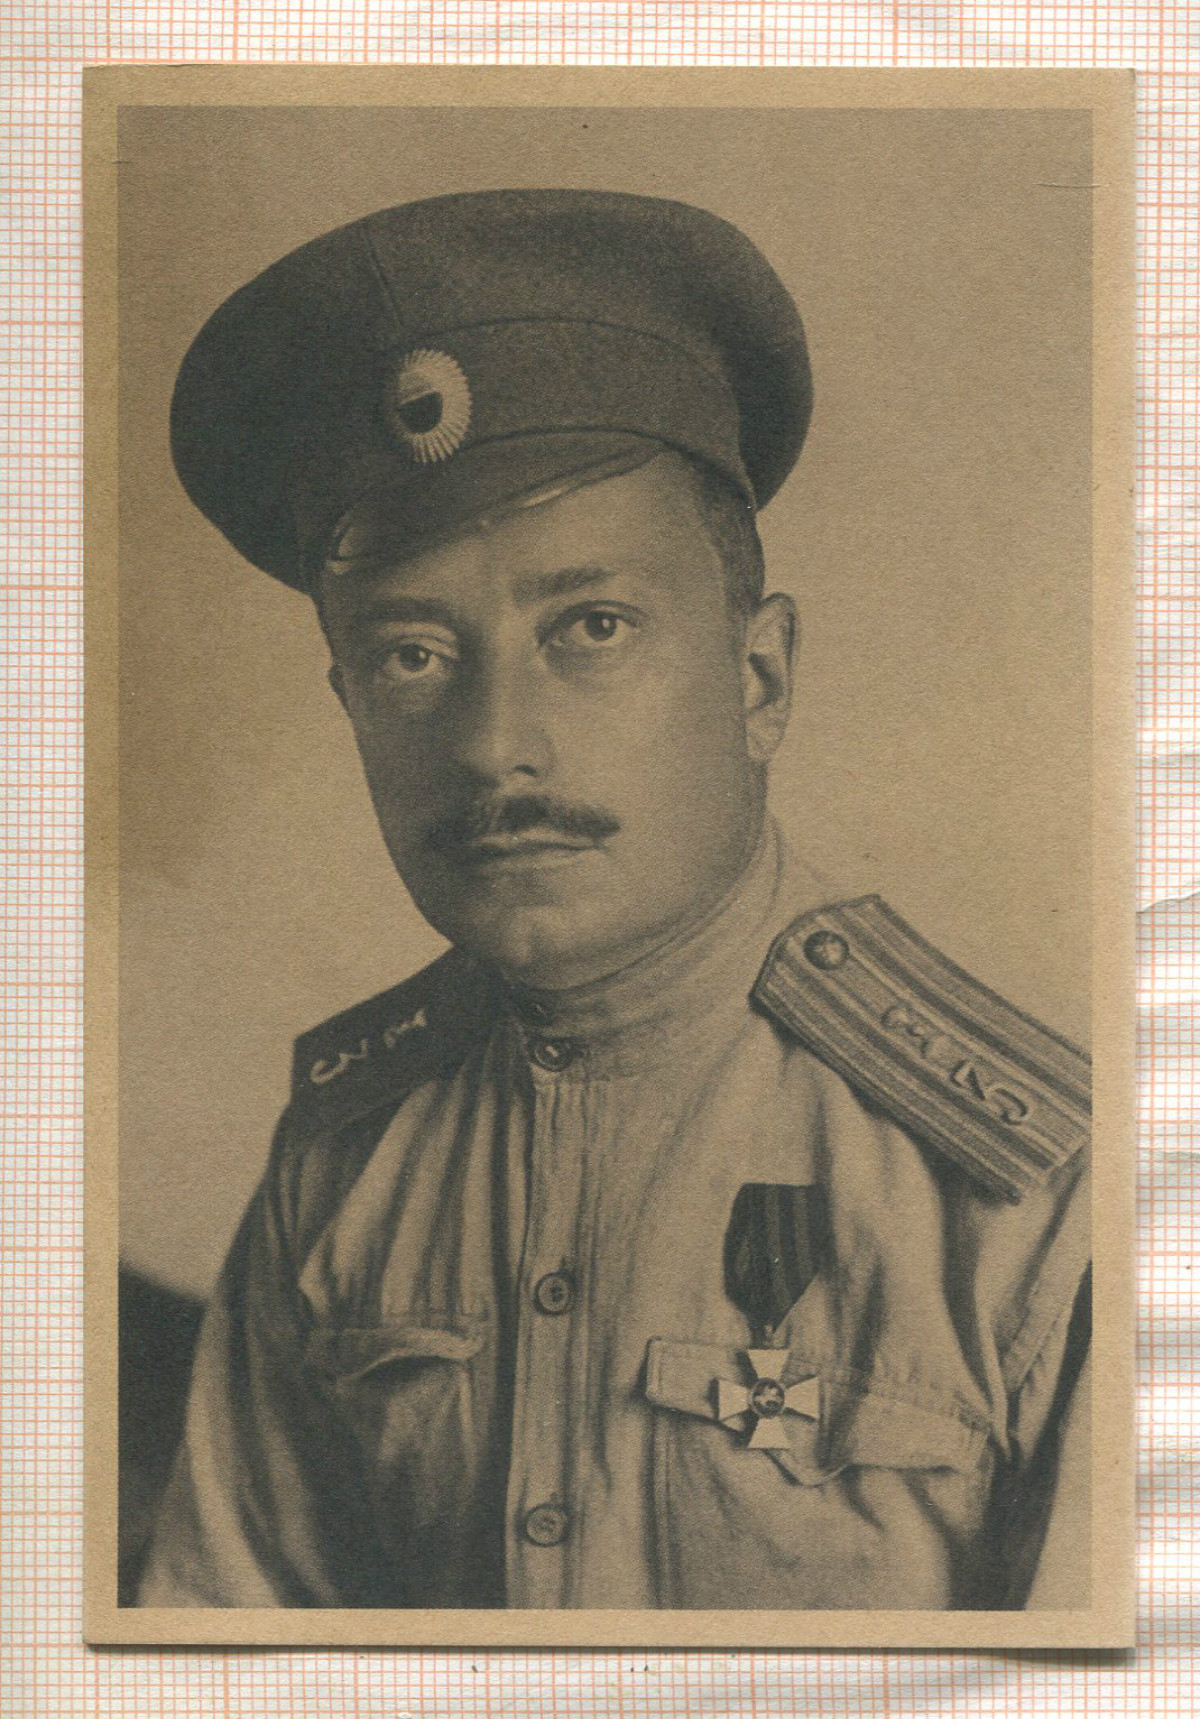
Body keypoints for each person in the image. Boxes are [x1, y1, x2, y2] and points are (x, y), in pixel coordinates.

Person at [137, 189, 1091, 1611]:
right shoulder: (342, 1160)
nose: (493, 746)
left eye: (591, 627)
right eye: (411, 656)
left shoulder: (1033, 1192)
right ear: (348, 703)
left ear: (758, 680)